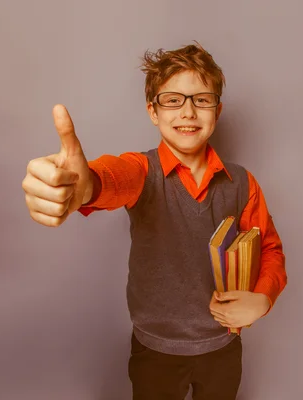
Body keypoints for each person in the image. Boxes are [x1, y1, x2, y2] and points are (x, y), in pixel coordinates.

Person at [22, 42, 287, 400]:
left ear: (217, 110)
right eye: (173, 100)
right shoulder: (142, 171)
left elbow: (269, 247)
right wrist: (84, 185)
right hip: (155, 350)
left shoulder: (242, 182)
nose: (188, 112)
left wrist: (263, 298)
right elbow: (113, 178)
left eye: (202, 99)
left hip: (223, 347)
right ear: (153, 111)